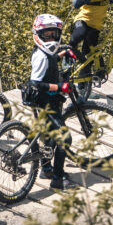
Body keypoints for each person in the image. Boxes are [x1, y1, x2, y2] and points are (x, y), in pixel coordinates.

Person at [29, 14, 76, 191]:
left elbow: (50, 61)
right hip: (45, 103)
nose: (50, 38)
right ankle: (57, 179)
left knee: (49, 135)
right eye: (46, 35)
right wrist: (60, 87)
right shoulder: (40, 57)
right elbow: (35, 84)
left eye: (53, 34)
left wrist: (61, 54)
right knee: (64, 138)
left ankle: (46, 168)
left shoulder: (44, 53)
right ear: (38, 35)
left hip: (48, 101)